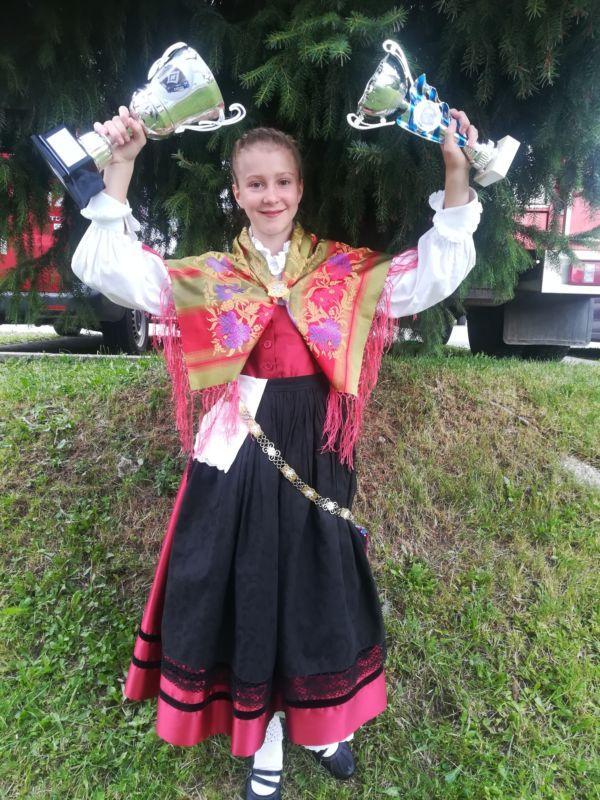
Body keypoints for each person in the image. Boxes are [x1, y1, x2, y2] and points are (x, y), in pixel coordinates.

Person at [72, 105, 482, 799]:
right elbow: (108, 268)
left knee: (317, 580)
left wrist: (455, 171)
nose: (271, 196)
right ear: (236, 191)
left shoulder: (342, 271)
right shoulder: (208, 276)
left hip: (317, 447)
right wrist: (122, 166)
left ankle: (319, 725)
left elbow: (431, 277)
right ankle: (263, 740)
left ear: (300, 187)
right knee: (251, 585)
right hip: (240, 448)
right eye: (256, 183)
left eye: (283, 182)